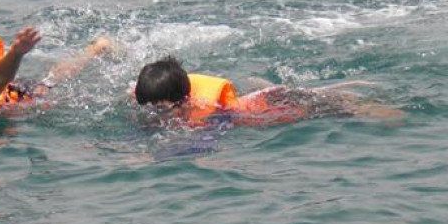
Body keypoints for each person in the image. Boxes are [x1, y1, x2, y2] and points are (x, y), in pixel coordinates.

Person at [134, 56, 403, 126]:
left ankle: (383, 112)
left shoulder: (204, 109)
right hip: (263, 96)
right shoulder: (168, 94)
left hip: (274, 105)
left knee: (332, 109)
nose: (154, 114)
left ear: (182, 101)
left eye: (160, 109)